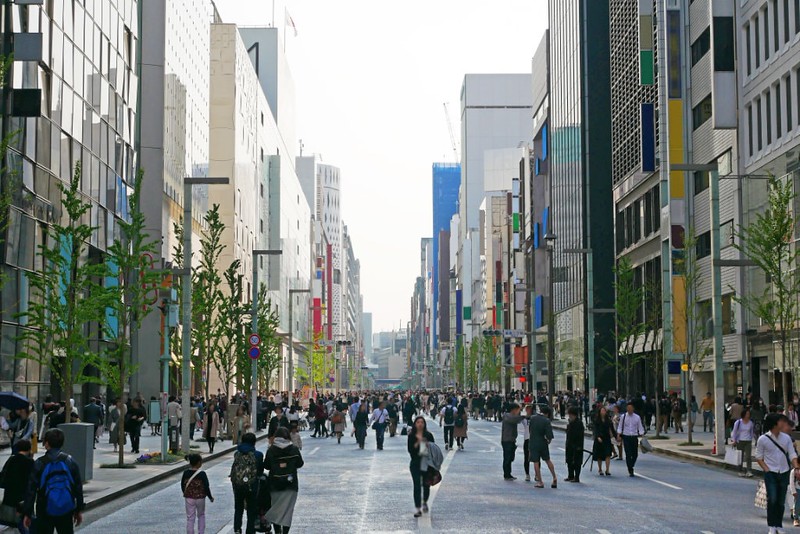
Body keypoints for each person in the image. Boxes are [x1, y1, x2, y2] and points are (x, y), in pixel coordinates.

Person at [23, 429, 84, 534]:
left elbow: (31, 490)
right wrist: (78, 509)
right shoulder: (69, 461)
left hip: (44, 507)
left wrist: (28, 513)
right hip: (66, 508)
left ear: (46, 443)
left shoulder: (39, 463)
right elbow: (78, 487)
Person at [756, 413, 799, 534]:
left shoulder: (786, 438)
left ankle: (778, 525)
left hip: (784, 471)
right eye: (780, 421)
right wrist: (766, 469)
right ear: (774, 424)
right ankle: (772, 526)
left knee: (780, 501)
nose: (783, 423)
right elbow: (759, 457)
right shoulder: (763, 439)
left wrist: (796, 467)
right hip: (771, 473)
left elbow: (792, 454)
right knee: (772, 499)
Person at [264, 427, 304, 534]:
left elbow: (266, 466)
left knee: (276, 508)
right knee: (287, 510)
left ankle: (277, 531)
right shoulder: (294, 449)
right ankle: (285, 532)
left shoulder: (271, 450)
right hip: (290, 485)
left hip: (275, 484)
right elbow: (300, 463)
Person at [230, 432, 263, 534]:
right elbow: (260, 471)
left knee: (238, 508)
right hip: (252, 485)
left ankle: (237, 529)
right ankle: (250, 530)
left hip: (238, 485)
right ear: (254, 442)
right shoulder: (258, 455)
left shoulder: (237, 454)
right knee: (251, 509)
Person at [1, 439, 34, 534]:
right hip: (23, 500)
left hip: (9, 499)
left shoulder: (11, 460)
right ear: (29, 449)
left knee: (10, 526)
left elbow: (2, 479)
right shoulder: (30, 462)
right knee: (25, 526)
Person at [408, 416, 435, 518]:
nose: (420, 424)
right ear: (415, 424)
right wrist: (418, 442)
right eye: (418, 422)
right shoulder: (411, 436)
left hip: (426, 463)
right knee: (417, 485)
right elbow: (410, 450)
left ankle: (424, 501)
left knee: (426, 485)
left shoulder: (428, 435)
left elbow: (432, 449)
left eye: (422, 422)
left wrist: (425, 443)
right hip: (415, 463)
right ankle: (418, 508)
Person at [182, 453, 213, 534]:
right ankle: (201, 532)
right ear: (199, 462)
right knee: (201, 515)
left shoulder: (186, 473)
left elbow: (182, 485)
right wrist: (210, 497)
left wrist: (185, 493)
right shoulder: (202, 474)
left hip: (189, 497)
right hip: (200, 498)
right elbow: (206, 486)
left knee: (190, 518)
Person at [529, 405, 557, 489]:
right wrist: (548, 441)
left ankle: (540, 481)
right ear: (547, 413)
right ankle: (554, 477)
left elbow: (530, 430)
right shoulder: (546, 421)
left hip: (533, 442)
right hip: (543, 443)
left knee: (536, 462)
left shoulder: (533, 418)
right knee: (548, 460)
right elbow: (549, 435)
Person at [617, 402, 646, 477]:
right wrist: (619, 435)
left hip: (634, 436)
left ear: (633, 408)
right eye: (628, 408)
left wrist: (642, 435)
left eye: (631, 408)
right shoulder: (623, 417)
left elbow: (640, 427)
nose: (629, 409)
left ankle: (631, 464)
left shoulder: (637, 417)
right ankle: (630, 468)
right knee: (628, 453)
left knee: (635, 454)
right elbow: (620, 426)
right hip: (626, 436)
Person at [500, 403, 527, 481]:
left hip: (511, 439)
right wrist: (524, 416)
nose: (518, 411)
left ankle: (508, 473)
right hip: (507, 439)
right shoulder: (507, 416)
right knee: (507, 457)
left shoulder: (511, 416)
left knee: (510, 457)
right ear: (513, 409)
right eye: (517, 410)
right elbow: (515, 419)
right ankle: (506, 474)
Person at [592, 406, 616, 476]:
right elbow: (595, 430)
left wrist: (616, 436)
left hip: (607, 439)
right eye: (602, 411)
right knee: (599, 455)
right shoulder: (597, 420)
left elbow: (612, 429)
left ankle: (607, 470)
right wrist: (597, 436)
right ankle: (600, 469)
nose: (603, 412)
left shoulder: (608, 421)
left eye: (604, 411)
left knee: (608, 454)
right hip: (599, 439)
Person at [731, 408, 754, 478]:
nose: (748, 415)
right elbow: (734, 432)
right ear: (743, 414)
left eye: (749, 414)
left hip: (748, 441)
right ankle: (740, 470)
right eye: (747, 414)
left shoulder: (750, 423)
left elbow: (751, 431)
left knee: (748, 457)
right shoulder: (738, 422)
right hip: (740, 441)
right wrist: (734, 440)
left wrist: (752, 438)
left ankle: (749, 471)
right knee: (740, 456)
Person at [565, 406, 585, 483]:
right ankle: (570, 475)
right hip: (569, 444)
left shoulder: (579, 423)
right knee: (569, 460)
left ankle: (576, 477)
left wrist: (579, 446)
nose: (570, 416)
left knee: (576, 462)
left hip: (577, 445)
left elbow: (579, 436)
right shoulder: (570, 423)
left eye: (571, 414)